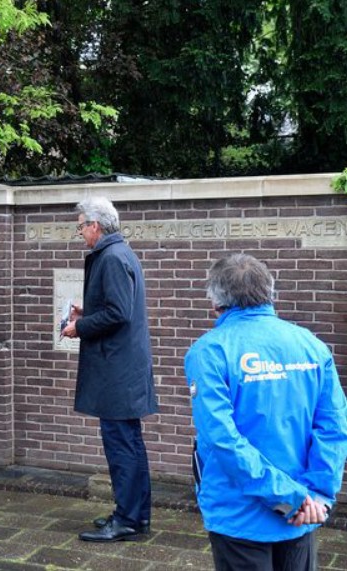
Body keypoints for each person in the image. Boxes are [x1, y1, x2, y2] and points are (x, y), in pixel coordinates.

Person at [184, 253, 347, 570]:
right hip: (304, 510)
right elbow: (334, 427)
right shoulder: (311, 344)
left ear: (215, 302)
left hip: (241, 513)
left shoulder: (209, 351)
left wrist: (292, 499)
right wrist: (316, 496)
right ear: (270, 293)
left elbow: (221, 438)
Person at [61, 196, 158, 542]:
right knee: (127, 444)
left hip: (118, 372)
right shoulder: (119, 253)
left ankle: (130, 520)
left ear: (96, 226)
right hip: (121, 369)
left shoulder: (113, 257)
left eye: (81, 227)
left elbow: (119, 313)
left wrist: (80, 327)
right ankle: (132, 515)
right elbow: (117, 307)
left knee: (122, 446)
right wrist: (87, 312)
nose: (80, 234)